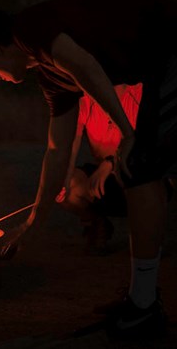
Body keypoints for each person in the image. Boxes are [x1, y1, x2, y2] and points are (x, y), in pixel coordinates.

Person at [0, 0, 177, 341]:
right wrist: (34, 223)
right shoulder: (49, 75)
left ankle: (144, 309)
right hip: (163, 57)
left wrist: (127, 133)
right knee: (139, 168)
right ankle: (141, 300)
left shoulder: (29, 28)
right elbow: (57, 149)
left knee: (140, 169)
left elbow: (86, 67)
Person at [57, 82, 143, 256]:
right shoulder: (85, 100)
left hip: (140, 174)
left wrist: (112, 162)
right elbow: (71, 145)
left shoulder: (139, 93)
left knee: (139, 186)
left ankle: (147, 237)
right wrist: (62, 182)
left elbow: (146, 144)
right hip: (104, 179)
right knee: (66, 184)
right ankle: (96, 223)